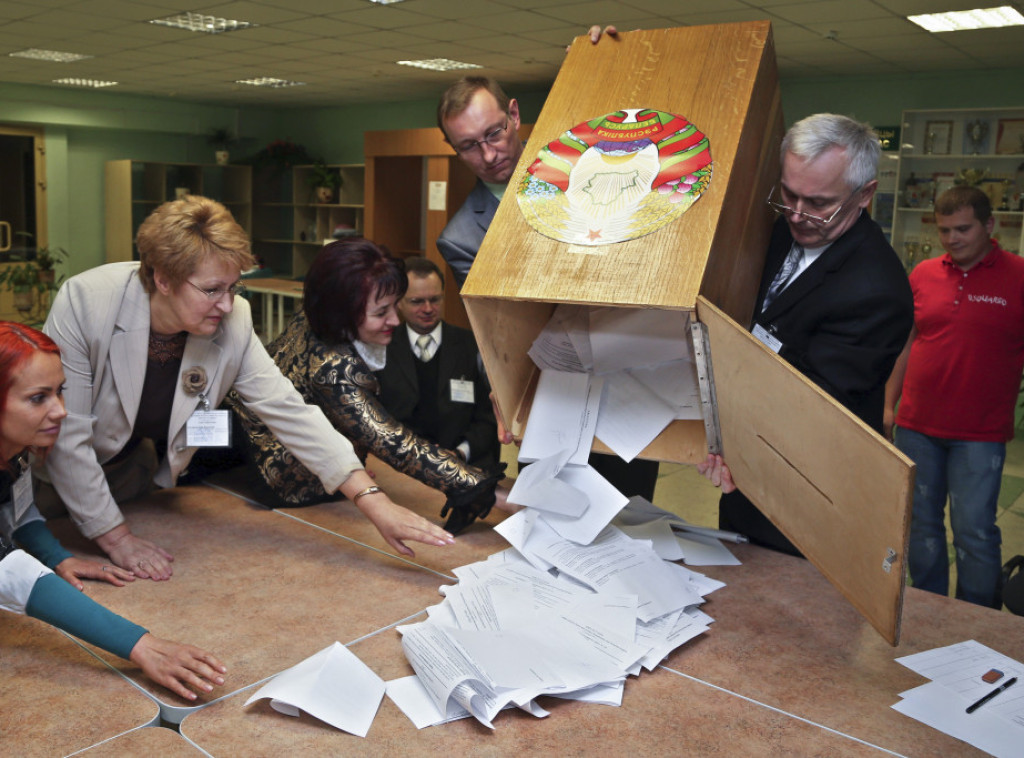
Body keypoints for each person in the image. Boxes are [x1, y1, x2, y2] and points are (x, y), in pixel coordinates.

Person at [39, 196, 454, 581]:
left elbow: (287, 409)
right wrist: (115, 538)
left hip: (131, 474)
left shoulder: (232, 318)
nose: (226, 304)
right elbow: (67, 432)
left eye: (233, 287)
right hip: (49, 480)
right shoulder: (86, 302)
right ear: (162, 279)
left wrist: (374, 503)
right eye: (212, 290)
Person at [437, 72, 660, 500]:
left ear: (515, 116)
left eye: (494, 133)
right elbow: (495, 336)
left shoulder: (584, 169)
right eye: (469, 145)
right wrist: (503, 396)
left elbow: (635, 130)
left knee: (632, 518)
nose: (488, 154)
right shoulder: (462, 238)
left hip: (626, 383)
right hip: (549, 399)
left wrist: (607, 62)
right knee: (552, 520)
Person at [701, 113, 914, 554]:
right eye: (789, 194)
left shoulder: (877, 289)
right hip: (746, 487)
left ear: (865, 194)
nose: (797, 215)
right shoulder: (780, 229)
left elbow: (816, 408)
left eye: (818, 203)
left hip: (813, 498)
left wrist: (728, 438)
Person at [0, 322, 226, 700]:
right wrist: (140, 645)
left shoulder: (16, 446)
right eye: (38, 398)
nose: (60, 411)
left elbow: (17, 510)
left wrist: (56, 557)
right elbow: (10, 573)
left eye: (60, 392)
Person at [226, 239, 509, 535]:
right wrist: (487, 491)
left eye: (393, 306)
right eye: (381, 312)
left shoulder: (317, 315)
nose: (395, 320)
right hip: (291, 478)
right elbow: (395, 443)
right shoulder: (333, 367)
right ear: (343, 313)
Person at [884, 185, 1024, 608]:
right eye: (944, 230)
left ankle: (977, 619)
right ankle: (929, 611)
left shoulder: (1018, 276)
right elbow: (905, 344)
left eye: (963, 228)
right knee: (921, 527)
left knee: (974, 530)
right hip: (916, 426)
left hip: (979, 435)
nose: (952, 239)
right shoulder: (924, 274)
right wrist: (889, 405)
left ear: (989, 225)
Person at [375, 256, 500, 468]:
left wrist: (460, 453)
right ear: (399, 304)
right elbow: (376, 418)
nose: (427, 308)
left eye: (435, 299)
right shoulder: (381, 348)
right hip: (400, 466)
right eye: (417, 301)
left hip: (464, 465)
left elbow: (489, 418)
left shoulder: (472, 345)